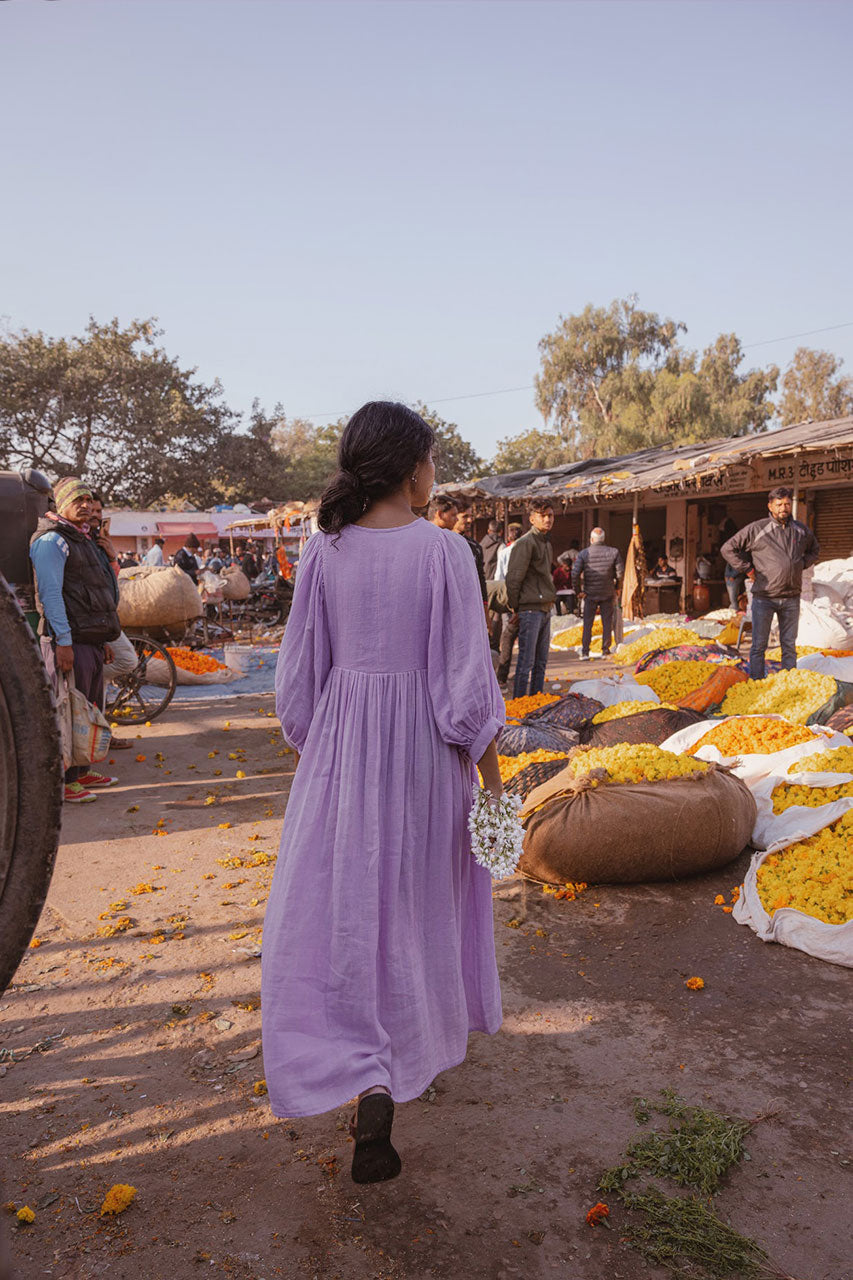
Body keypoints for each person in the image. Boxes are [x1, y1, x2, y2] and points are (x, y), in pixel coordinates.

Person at [262, 401, 504, 1184]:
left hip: (339, 748)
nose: (435, 473)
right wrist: (491, 781)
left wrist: (326, 744)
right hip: (426, 756)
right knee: (413, 907)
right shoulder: (445, 552)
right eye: (432, 458)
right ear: (410, 467)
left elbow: (297, 679)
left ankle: (358, 1067)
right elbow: (466, 682)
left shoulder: (325, 551)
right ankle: (397, 1060)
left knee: (341, 908)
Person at [30, 478, 121, 803]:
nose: (84, 505)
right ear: (60, 503)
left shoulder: (81, 538)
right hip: (68, 644)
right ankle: (66, 780)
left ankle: (81, 771)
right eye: (77, 499)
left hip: (89, 642)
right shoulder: (52, 541)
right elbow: (51, 596)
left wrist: (102, 639)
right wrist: (64, 642)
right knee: (68, 713)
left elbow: (95, 594)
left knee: (89, 710)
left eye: (87, 499)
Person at [721, 486, 820, 679]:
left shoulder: (800, 530)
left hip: (791, 597)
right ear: (770, 506)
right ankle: (757, 683)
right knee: (759, 645)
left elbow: (815, 549)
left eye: (786, 504)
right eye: (779, 504)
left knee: (789, 646)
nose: (784, 508)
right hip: (764, 598)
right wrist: (748, 569)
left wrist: (801, 564)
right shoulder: (757, 528)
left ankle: (787, 682)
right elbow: (728, 548)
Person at [89, 492, 137, 749]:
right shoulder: (73, 542)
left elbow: (108, 581)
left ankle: (101, 733)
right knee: (125, 660)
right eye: (89, 510)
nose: (94, 515)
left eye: (98, 511)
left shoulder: (96, 543)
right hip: (90, 623)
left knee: (101, 682)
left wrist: (111, 557)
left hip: (103, 620)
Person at [505, 499, 556, 697]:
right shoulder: (526, 543)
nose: (547, 519)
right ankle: (519, 703)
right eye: (543, 516)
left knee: (541, 662)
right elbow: (514, 578)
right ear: (532, 518)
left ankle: (535, 703)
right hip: (530, 609)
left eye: (550, 515)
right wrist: (515, 607)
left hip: (544, 607)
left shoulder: (545, 542)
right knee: (526, 662)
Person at [430, 497, 490, 628]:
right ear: (440, 515)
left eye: (470, 516)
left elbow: (479, 579)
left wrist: (484, 609)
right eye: (464, 516)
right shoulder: (431, 542)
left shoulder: (473, 547)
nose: (469, 520)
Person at [572, 528, 624, 660]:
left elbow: (575, 574)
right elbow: (620, 573)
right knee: (607, 623)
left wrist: (579, 591)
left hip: (590, 594)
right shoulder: (614, 552)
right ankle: (605, 651)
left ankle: (585, 652)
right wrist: (618, 588)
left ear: (591, 539)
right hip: (607, 593)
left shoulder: (584, 553)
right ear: (604, 539)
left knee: (587, 623)